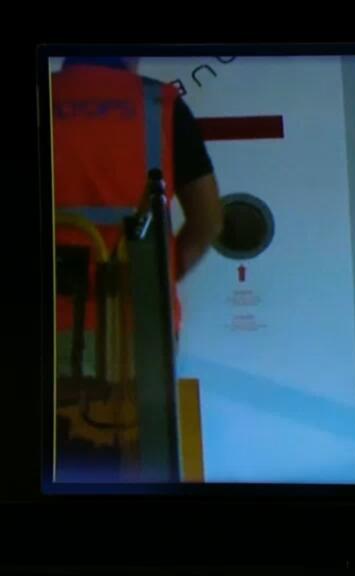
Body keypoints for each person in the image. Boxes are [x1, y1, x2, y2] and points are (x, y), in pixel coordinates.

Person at [52, 56, 222, 481]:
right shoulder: (160, 104)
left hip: (47, 324)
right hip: (138, 327)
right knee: (138, 463)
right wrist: (154, 281)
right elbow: (208, 221)